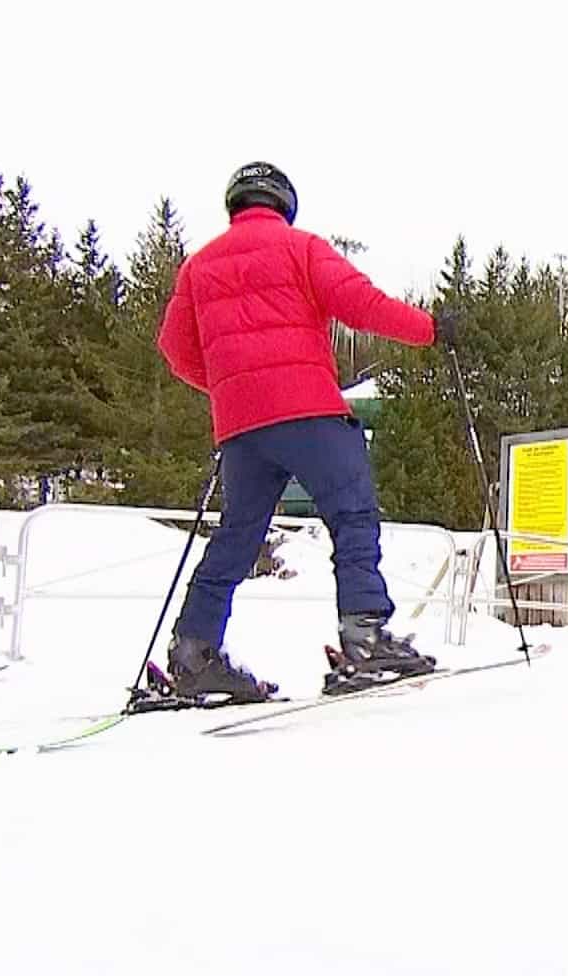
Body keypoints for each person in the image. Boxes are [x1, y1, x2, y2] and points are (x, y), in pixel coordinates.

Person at [157, 162, 445, 700]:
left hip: (242, 427)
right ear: (282, 203)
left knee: (236, 539)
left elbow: (175, 349)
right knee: (352, 515)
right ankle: (364, 637)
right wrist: (429, 330)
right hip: (308, 409)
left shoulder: (198, 267)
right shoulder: (301, 247)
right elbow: (361, 305)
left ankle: (193, 652)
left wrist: (231, 386)